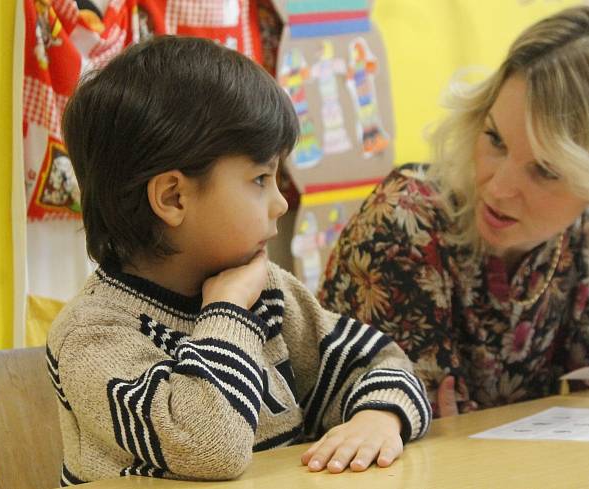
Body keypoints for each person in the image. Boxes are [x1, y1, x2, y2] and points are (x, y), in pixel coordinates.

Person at [46, 36, 430, 485]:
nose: (280, 203)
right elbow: (210, 449)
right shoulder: (92, 336)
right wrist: (226, 310)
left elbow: (382, 363)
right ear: (172, 197)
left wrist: (378, 418)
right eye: (260, 179)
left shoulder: (268, 292)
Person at [319, 5, 589, 418]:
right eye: (495, 139)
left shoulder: (586, 228)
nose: (498, 188)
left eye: (546, 170)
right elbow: (419, 432)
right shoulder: (404, 219)